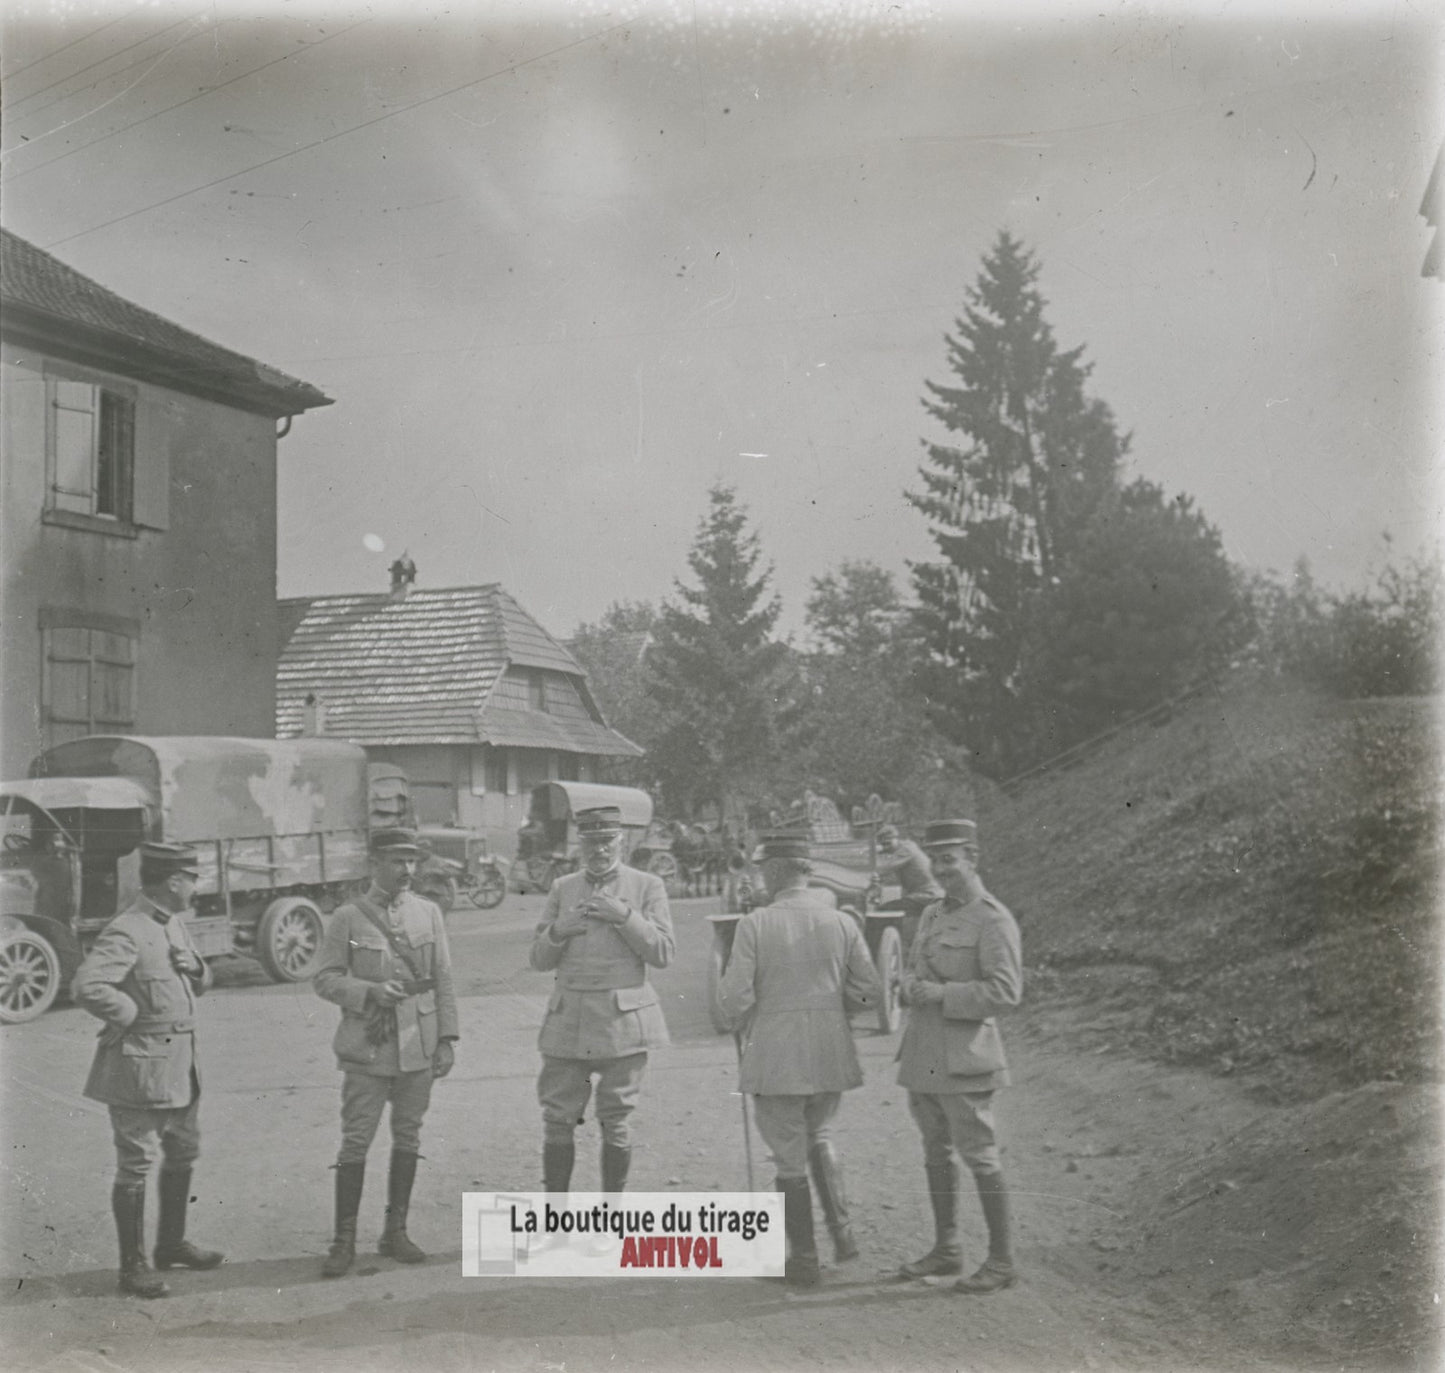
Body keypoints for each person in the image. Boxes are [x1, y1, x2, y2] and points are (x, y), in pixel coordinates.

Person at [716, 832, 882, 1286]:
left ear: (774, 871)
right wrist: (832, 1009)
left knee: (788, 1157)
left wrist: (739, 1016)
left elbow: (733, 998)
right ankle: (843, 1236)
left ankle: (805, 1260)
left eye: (762, 870)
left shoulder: (755, 924)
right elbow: (869, 992)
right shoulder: (842, 922)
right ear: (806, 871)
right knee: (820, 1133)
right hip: (830, 1049)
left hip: (777, 1053)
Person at [72, 841, 223, 1299]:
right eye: (192, 879)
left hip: (182, 1067)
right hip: (138, 1068)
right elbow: (87, 986)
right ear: (173, 882)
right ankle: (133, 1267)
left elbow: (201, 982)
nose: (196, 887)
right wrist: (129, 1014)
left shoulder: (172, 922)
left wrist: (196, 968)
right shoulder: (128, 930)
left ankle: (171, 1245)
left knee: (182, 1153)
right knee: (135, 1163)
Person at [313, 827, 459, 1277]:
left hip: (418, 1044)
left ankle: (396, 1232)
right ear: (374, 863)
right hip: (369, 1048)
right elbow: (325, 979)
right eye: (397, 861)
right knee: (357, 1140)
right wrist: (369, 991)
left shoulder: (428, 912)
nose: (407, 869)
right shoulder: (348, 917)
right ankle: (343, 1241)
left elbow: (443, 978)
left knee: (409, 1136)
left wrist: (447, 1039)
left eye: (412, 861)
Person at [895, 818, 1023, 1295]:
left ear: (973, 859)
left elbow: (1005, 992)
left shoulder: (993, 919)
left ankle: (1002, 1261)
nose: (941, 869)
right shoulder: (932, 913)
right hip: (924, 1055)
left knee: (980, 1155)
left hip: (966, 1058)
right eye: (934, 859)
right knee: (935, 1151)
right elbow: (914, 969)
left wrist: (941, 994)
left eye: (950, 859)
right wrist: (909, 986)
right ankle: (946, 1248)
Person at [530, 805, 674, 1194]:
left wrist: (624, 916)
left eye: (607, 840)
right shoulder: (563, 888)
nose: (599, 850)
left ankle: (611, 1216)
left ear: (621, 841)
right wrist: (558, 931)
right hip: (568, 1024)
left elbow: (663, 952)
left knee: (616, 1120)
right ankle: (557, 1217)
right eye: (591, 841)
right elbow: (538, 959)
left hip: (621, 1025)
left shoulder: (647, 886)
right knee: (558, 1119)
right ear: (580, 843)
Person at [872, 824, 944, 947]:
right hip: (928, 895)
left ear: (896, 838)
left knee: (883, 911)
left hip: (928, 896)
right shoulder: (903, 849)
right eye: (883, 844)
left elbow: (885, 867)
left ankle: (884, 946)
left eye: (888, 843)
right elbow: (885, 872)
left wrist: (872, 855)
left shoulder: (907, 849)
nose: (886, 847)